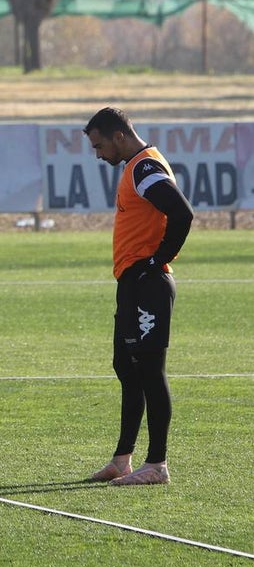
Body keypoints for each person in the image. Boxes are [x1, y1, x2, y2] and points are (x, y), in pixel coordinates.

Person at [83, 107, 193, 486]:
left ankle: (157, 464)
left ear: (119, 136)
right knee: (126, 367)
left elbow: (182, 213)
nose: (98, 154)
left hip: (149, 284)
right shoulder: (135, 167)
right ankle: (122, 460)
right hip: (133, 283)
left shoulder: (144, 167)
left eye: (99, 146)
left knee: (150, 371)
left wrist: (157, 260)